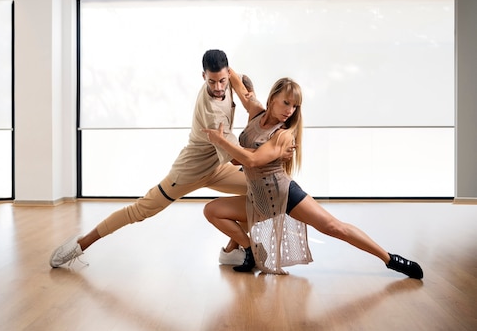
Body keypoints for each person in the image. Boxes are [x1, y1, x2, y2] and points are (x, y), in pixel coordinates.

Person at [49, 49, 291, 268]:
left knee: (265, 191)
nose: (218, 87)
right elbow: (240, 159)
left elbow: (238, 80)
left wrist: (242, 89)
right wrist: (276, 149)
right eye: (212, 81)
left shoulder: (227, 79)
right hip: (188, 172)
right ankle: (80, 244)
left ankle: (231, 251)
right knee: (139, 210)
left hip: (217, 167)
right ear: (203, 77)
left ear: (227, 73)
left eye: (222, 81)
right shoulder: (212, 113)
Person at [201, 76, 424, 279]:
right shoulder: (256, 113)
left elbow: (251, 161)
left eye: (295, 105)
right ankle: (250, 249)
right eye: (286, 102)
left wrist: (222, 142)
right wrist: (223, 66)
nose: (290, 110)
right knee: (211, 211)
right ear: (272, 99)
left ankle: (390, 259)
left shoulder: (284, 135)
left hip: (284, 194)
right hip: (258, 199)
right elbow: (238, 156)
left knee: (334, 227)